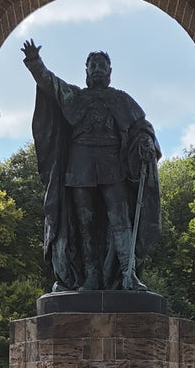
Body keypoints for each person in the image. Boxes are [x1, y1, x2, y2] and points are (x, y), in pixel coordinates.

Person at [23, 39, 162, 293]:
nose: (97, 69)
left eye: (102, 65)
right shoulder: (76, 97)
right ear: (86, 71)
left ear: (110, 71)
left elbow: (141, 126)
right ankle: (90, 277)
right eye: (93, 65)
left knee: (120, 219)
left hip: (112, 165)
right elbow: (50, 83)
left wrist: (146, 141)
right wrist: (34, 62)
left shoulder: (121, 99)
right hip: (80, 165)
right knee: (84, 225)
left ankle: (127, 274)